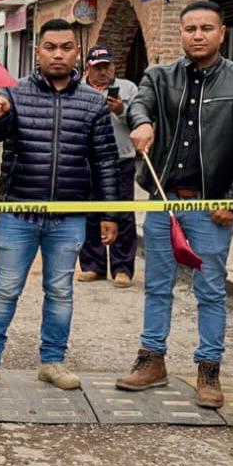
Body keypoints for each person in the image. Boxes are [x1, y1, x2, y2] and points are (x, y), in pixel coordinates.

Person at [122, 0, 233, 408]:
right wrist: (142, 122)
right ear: (181, 34)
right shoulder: (158, 76)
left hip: (211, 205)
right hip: (164, 200)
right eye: (190, 29)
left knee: (210, 290)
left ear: (222, 33)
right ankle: (152, 359)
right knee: (157, 285)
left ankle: (209, 368)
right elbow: (140, 103)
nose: (198, 35)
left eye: (207, 28)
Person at [0, 19, 119, 393]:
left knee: (60, 291)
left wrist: (111, 213)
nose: (58, 54)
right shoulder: (14, 93)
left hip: (69, 216)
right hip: (18, 212)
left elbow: (105, 161)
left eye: (66, 47)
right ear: (38, 52)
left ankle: (52, 362)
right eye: (50, 47)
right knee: (5, 289)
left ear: (77, 53)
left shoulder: (93, 102)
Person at [76, 45, 139, 287]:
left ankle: (122, 268)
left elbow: (140, 121)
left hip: (121, 161)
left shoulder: (128, 89)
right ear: (88, 68)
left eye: (107, 66)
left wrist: (121, 110)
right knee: (90, 214)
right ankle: (93, 265)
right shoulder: (78, 90)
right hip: (87, 163)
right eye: (98, 67)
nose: (103, 72)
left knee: (123, 214)